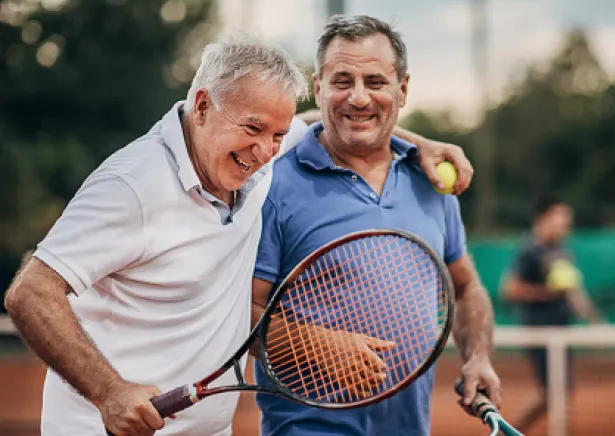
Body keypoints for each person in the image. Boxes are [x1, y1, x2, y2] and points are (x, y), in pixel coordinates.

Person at [3, 32, 476, 436]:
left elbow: (323, 125)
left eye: (277, 134)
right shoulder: (132, 186)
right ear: (203, 105)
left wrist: (422, 142)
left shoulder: (252, 162)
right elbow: (31, 293)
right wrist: (110, 391)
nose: (266, 149)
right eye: (253, 129)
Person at [251, 14, 501, 436]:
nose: (359, 98)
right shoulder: (272, 185)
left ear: (402, 90)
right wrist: (317, 347)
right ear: (319, 88)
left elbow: (465, 287)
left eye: (376, 82)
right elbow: (241, 314)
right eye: (343, 81)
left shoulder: (433, 181)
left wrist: (477, 355)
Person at [500, 196, 603, 432]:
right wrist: (548, 292)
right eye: (559, 218)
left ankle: (510, 431)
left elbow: (572, 291)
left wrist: (591, 316)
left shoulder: (561, 251)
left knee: (555, 393)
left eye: (567, 219)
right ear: (542, 219)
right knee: (556, 393)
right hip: (540, 331)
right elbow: (511, 290)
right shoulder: (529, 250)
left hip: (562, 330)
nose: (565, 224)